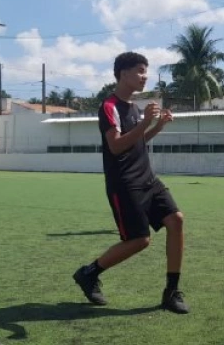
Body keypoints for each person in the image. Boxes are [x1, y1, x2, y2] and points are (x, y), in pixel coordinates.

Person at [72, 52, 188, 314]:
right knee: (139, 240)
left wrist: (157, 126)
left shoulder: (135, 107)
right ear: (123, 73)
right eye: (139, 71)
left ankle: (171, 291)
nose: (144, 76)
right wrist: (146, 122)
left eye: (146, 71)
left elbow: (136, 142)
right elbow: (115, 147)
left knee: (176, 220)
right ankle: (89, 273)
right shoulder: (109, 106)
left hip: (148, 178)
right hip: (125, 184)